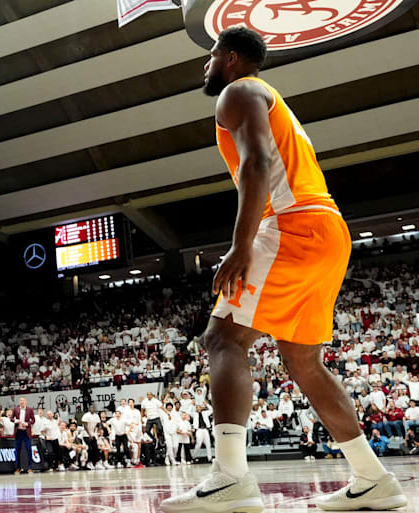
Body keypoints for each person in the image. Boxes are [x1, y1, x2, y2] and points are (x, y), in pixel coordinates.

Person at [161, 27, 406, 513]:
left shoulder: (238, 91)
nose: (204, 66)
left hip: (291, 224)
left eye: (210, 57)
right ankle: (372, 477)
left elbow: (256, 166)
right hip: (327, 228)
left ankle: (230, 476)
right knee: (303, 360)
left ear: (230, 58)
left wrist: (241, 245)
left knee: (222, 338)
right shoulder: (268, 97)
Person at [11, 397, 35, 474]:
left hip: (26, 432)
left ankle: (30, 468)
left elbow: (33, 420)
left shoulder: (30, 409)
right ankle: (18, 468)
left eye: (23, 401)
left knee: (29, 450)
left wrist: (27, 423)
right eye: (21, 401)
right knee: (17, 450)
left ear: (26, 402)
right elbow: (11, 418)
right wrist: (16, 420)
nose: (22, 402)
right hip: (18, 432)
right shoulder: (15, 409)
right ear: (19, 402)